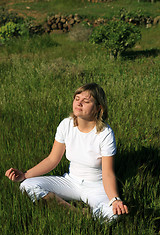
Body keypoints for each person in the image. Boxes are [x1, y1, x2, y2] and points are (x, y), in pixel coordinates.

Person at [5, 82, 128, 222]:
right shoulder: (66, 124)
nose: (79, 103)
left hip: (95, 186)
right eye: (77, 99)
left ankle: (80, 214)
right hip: (71, 181)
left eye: (86, 101)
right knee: (27, 186)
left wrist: (115, 199)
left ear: (98, 108)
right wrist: (25, 175)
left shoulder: (105, 133)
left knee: (113, 214)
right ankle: (77, 214)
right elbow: (52, 160)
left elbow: (107, 173)